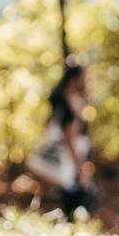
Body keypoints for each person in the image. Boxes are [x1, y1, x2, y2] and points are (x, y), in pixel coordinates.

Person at [26, 60, 99, 219]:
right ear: (76, 79)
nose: (88, 82)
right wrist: (79, 165)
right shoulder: (71, 102)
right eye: (85, 78)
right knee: (78, 192)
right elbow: (70, 135)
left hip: (63, 156)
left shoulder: (64, 98)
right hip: (65, 157)